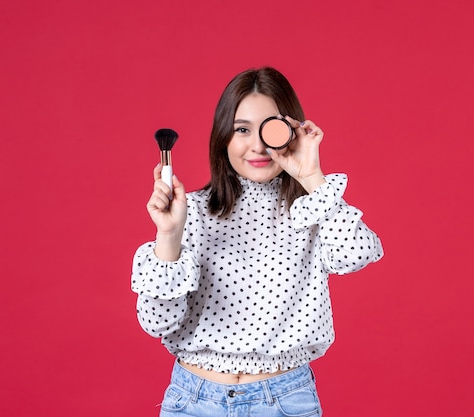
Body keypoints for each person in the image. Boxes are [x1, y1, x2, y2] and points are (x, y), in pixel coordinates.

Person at [131, 67, 384, 416]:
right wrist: (169, 235)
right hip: (194, 401)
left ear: (292, 131)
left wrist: (312, 177)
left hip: (284, 400)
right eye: (241, 130)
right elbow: (157, 322)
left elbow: (355, 254)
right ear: (223, 137)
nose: (259, 145)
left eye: (270, 129)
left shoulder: (313, 208)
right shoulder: (192, 211)